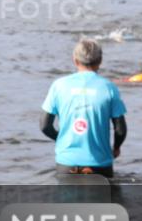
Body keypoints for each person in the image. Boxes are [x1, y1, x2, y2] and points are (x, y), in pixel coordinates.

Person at [40, 39, 127, 178]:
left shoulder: (59, 86)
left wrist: (61, 139)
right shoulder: (109, 88)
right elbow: (120, 129)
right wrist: (116, 148)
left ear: (75, 60)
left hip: (66, 164)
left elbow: (45, 126)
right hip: (99, 164)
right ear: (100, 61)